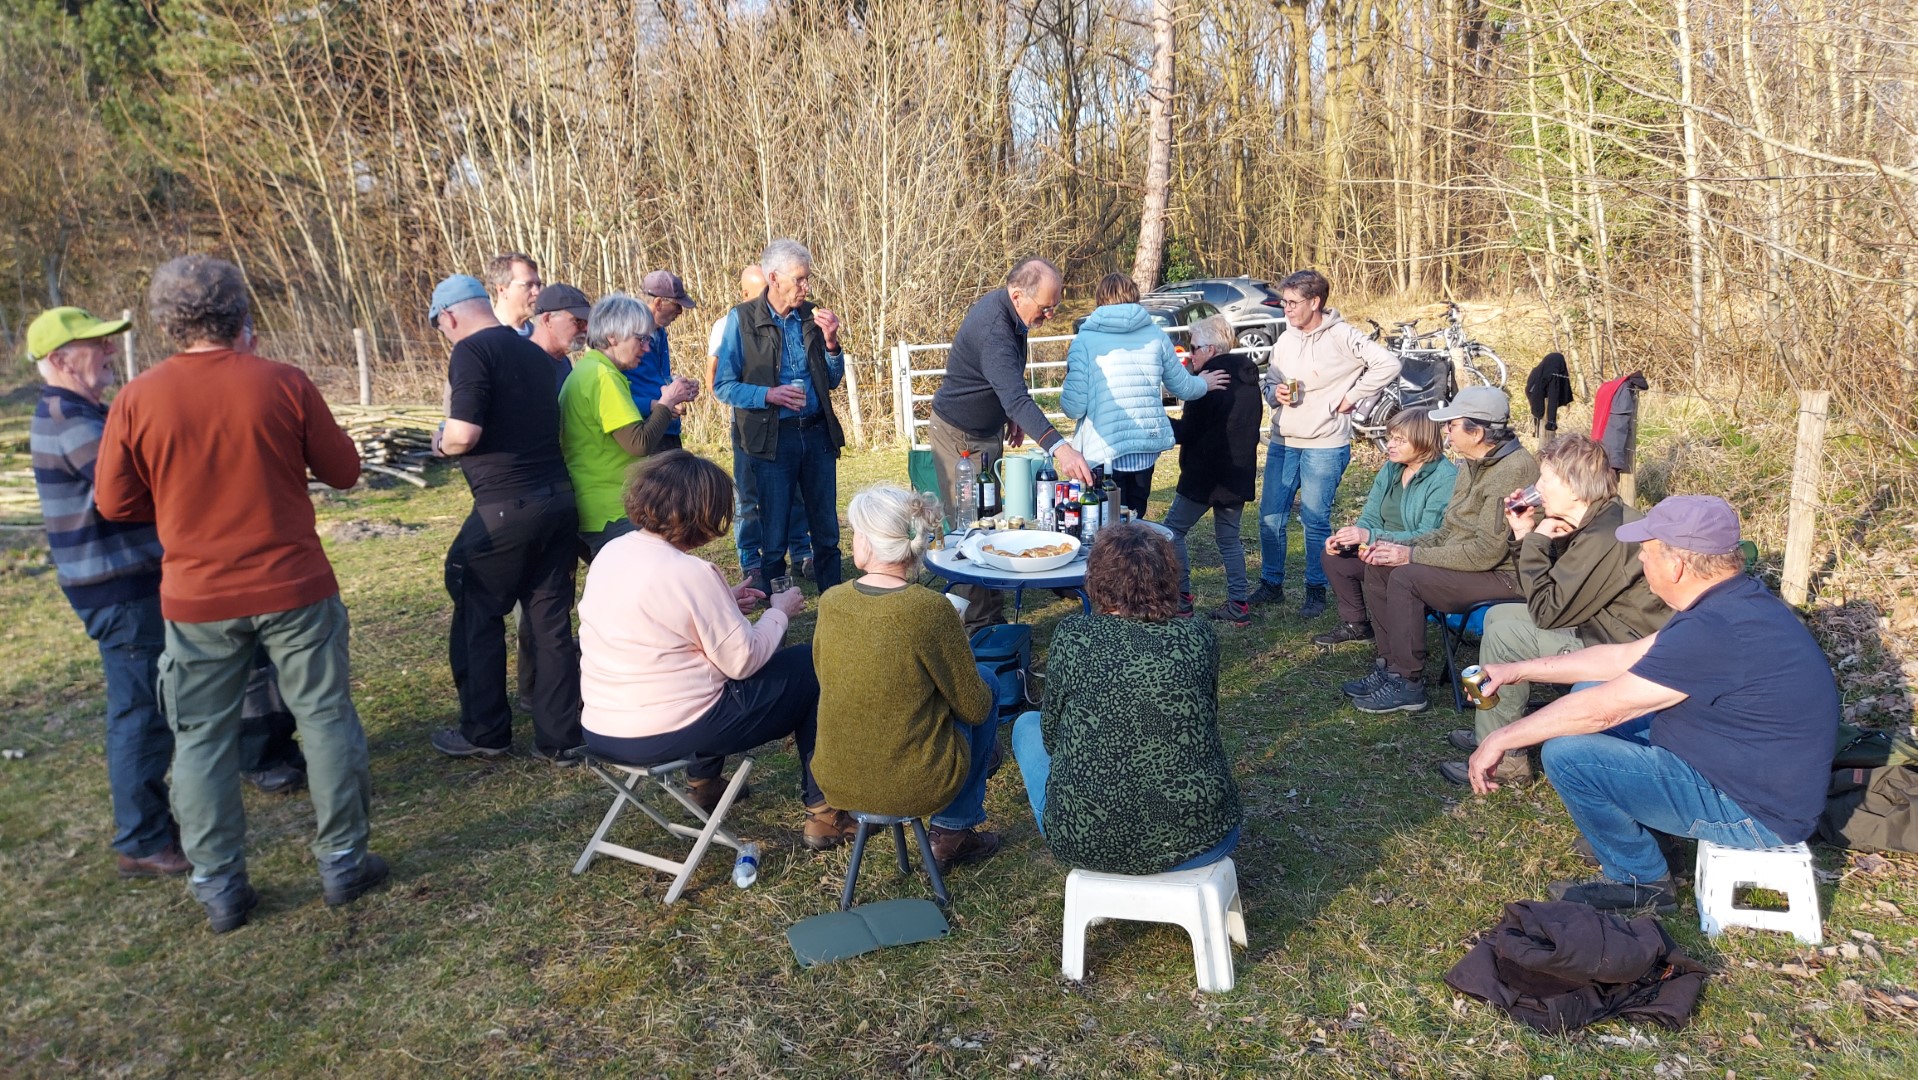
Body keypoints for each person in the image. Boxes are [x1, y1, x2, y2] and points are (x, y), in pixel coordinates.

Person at [94, 255, 382, 932]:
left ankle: (219, 882)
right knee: (325, 718)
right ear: (240, 314)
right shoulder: (282, 382)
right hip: (294, 586)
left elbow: (113, 501)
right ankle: (342, 857)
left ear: (166, 322)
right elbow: (344, 471)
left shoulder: (139, 397)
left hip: (198, 597)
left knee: (200, 738)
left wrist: (177, 504)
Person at [1466, 496, 1838, 913]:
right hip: (1739, 767)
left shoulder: (1715, 629)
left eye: (1645, 552)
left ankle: (1639, 880)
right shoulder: (1730, 601)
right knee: (1587, 690)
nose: (1641, 561)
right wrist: (1517, 671)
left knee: (1570, 753)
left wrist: (1502, 736)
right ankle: (1649, 832)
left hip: (1754, 812)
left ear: (1676, 566)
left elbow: (1606, 709)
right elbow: (1622, 658)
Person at [577, 451, 854, 848]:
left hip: (604, 727)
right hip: (670, 732)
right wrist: (779, 614)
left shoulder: (613, 552)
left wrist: (723, 601)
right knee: (815, 664)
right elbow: (743, 661)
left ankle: (704, 784)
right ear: (701, 513)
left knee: (696, 676)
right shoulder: (690, 573)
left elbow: (661, 627)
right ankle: (824, 815)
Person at [28, 305, 187, 879]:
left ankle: (153, 824)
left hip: (120, 585)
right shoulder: (70, 420)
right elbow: (128, 486)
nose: (109, 354)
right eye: (96, 346)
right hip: (118, 591)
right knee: (141, 710)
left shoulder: (78, 413)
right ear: (60, 360)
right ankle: (142, 838)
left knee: (146, 702)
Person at [1010, 523, 1241, 875]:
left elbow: (1052, 737)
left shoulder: (1073, 636)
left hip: (1085, 840)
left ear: (1098, 579)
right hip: (1203, 838)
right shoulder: (1198, 637)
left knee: (1026, 724)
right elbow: (1205, 716)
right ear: (1168, 578)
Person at [1438, 436, 1670, 786]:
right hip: (1600, 628)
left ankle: (1506, 760)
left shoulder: (1607, 535)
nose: (1537, 487)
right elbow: (1538, 594)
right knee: (1499, 616)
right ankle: (1494, 733)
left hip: (1626, 650)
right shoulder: (1597, 519)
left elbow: (1547, 612)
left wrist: (1535, 541)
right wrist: (1524, 533)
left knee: (1507, 633)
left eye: (1546, 479)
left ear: (1575, 488)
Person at [427, 273, 583, 765]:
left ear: (449, 317)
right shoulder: (536, 354)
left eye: (442, 328)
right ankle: (561, 739)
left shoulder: (472, 352)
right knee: (550, 619)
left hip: (505, 507)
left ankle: (486, 731)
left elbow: (465, 433)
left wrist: (440, 442)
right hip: (558, 500)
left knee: (477, 607)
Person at [811, 484, 1002, 870]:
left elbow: (825, 673)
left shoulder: (831, 601)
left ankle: (958, 814)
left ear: (868, 542)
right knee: (988, 684)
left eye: (855, 533)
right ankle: (952, 830)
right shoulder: (929, 609)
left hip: (836, 777)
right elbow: (975, 706)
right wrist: (955, 651)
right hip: (915, 782)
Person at [1345, 387, 1539, 714]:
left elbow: (1484, 553)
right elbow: (1448, 531)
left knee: (1407, 576)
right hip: (1468, 562)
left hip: (1507, 576)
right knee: (1379, 563)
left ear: (1477, 432)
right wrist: (1394, 545)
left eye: (1452, 425)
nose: (1445, 431)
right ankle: (1392, 667)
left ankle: (1409, 684)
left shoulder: (1513, 470)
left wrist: (1410, 556)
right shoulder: (1470, 463)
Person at [928, 257, 1093, 632]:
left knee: (992, 517)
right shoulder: (995, 329)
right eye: (1045, 307)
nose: (1050, 315)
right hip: (958, 434)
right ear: (1017, 294)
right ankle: (978, 626)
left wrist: (1009, 416)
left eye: (1056, 306)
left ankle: (993, 608)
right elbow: (1016, 394)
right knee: (969, 526)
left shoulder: (1013, 313)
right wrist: (1060, 448)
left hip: (987, 430)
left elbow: (1006, 385)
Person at [1253, 269, 1401, 619]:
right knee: (1269, 517)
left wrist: (1353, 396)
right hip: (1284, 440)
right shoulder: (1286, 339)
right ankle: (1271, 583)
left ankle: (1315, 589)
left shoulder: (1342, 335)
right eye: (1283, 302)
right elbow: (1269, 382)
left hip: (1325, 443)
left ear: (1315, 302)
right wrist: (1274, 392)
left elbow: (1388, 363)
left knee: (1314, 519)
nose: (1285, 309)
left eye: (1292, 303)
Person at [713, 239, 846, 593]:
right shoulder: (741, 320)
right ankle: (777, 621)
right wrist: (768, 395)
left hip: (817, 435)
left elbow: (831, 380)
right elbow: (723, 386)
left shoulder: (813, 316)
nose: (806, 287)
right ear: (774, 277)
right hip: (773, 439)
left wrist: (832, 343)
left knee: (826, 532)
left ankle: (834, 609)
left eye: (808, 279)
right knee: (773, 537)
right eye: (800, 279)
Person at [1060, 273, 1225, 516]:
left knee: (1105, 526)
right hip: (1144, 450)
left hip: (1104, 451)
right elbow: (1181, 387)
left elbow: (1074, 407)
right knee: (1135, 523)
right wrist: (1204, 383)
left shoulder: (1084, 341)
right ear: (1135, 297)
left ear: (1100, 300)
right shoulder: (1156, 335)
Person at [559, 294, 699, 557]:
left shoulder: (588, 369)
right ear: (613, 337)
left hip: (599, 505)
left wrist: (663, 408)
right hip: (611, 511)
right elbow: (639, 443)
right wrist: (666, 402)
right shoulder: (603, 377)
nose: (646, 348)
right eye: (641, 339)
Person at [1312, 406, 1456, 647]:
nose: (1390, 444)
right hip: (1379, 546)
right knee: (1335, 557)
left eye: (1400, 440)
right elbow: (1370, 515)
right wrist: (1351, 537)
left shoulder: (1444, 478)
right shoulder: (1392, 468)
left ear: (1423, 441)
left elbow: (1428, 535)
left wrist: (1372, 536)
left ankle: (1396, 647)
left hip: (1415, 556)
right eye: (1391, 438)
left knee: (1380, 569)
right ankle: (1356, 625)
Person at [708, 264, 812, 586]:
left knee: (794, 493)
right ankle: (751, 561)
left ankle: (801, 553)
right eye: (754, 296)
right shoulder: (729, 323)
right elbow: (718, 381)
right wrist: (765, 395)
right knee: (749, 497)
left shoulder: (793, 318)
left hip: (787, 427)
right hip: (748, 426)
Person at [1162, 315, 1262, 626]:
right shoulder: (1247, 377)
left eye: (1193, 348)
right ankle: (1238, 604)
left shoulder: (1209, 382)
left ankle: (1182, 599)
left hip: (1205, 476)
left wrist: (1156, 420)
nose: (1190, 354)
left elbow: (1187, 432)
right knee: (1229, 540)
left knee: (1171, 532)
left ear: (1211, 348)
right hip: (1238, 472)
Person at [628, 269, 696, 451]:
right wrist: (654, 405)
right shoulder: (625, 339)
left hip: (668, 431)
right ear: (658, 303)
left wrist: (679, 388)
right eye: (677, 305)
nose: (680, 312)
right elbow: (613, 395)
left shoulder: (660, 332)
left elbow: (657, 378)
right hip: (646, 432)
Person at [528, 283, 592, 393]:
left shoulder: (563, 362)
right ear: (548, 320)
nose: (586, 328)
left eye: (587, 322)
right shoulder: (523, 363)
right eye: (578, 321)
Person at [485, 252, 541, 336]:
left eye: (538, 285)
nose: (537, 292)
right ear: (501, 289)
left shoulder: (539, 338)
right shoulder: (485, 340)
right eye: (528, 285)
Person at [1525, 350, 1575, 440]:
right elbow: (1553, 396)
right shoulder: (1553, 373)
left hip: (1536, 403)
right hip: (1542, 410)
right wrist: (1551, 422)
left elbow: (1530, 390)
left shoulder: (1538, 370)